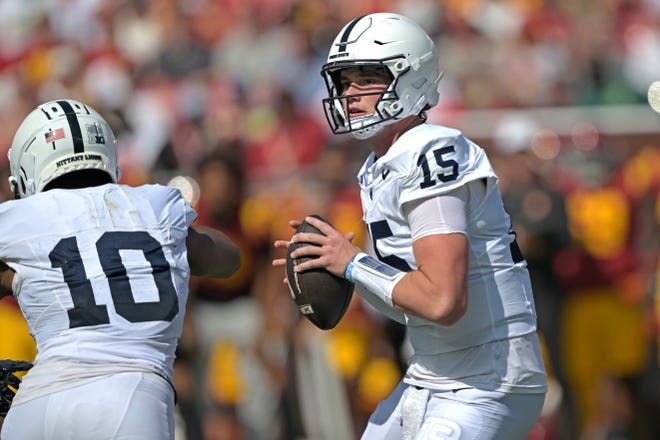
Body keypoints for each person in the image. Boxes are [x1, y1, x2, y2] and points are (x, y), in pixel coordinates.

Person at [273, 12, 547, 439]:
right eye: (345, 81)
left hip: (488, 380)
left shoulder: (430, 149)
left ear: (409, 77)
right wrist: (341, 270)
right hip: (430, 373)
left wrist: (353, 264)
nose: (350, 93)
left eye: (366, 78)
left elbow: (443, 301)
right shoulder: (378, 168)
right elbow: (411, 307)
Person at [0, 99, 241, 439]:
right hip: (132, 396)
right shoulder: (154, 205)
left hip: (40, 399)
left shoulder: (19, 221)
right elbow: (229, 258)